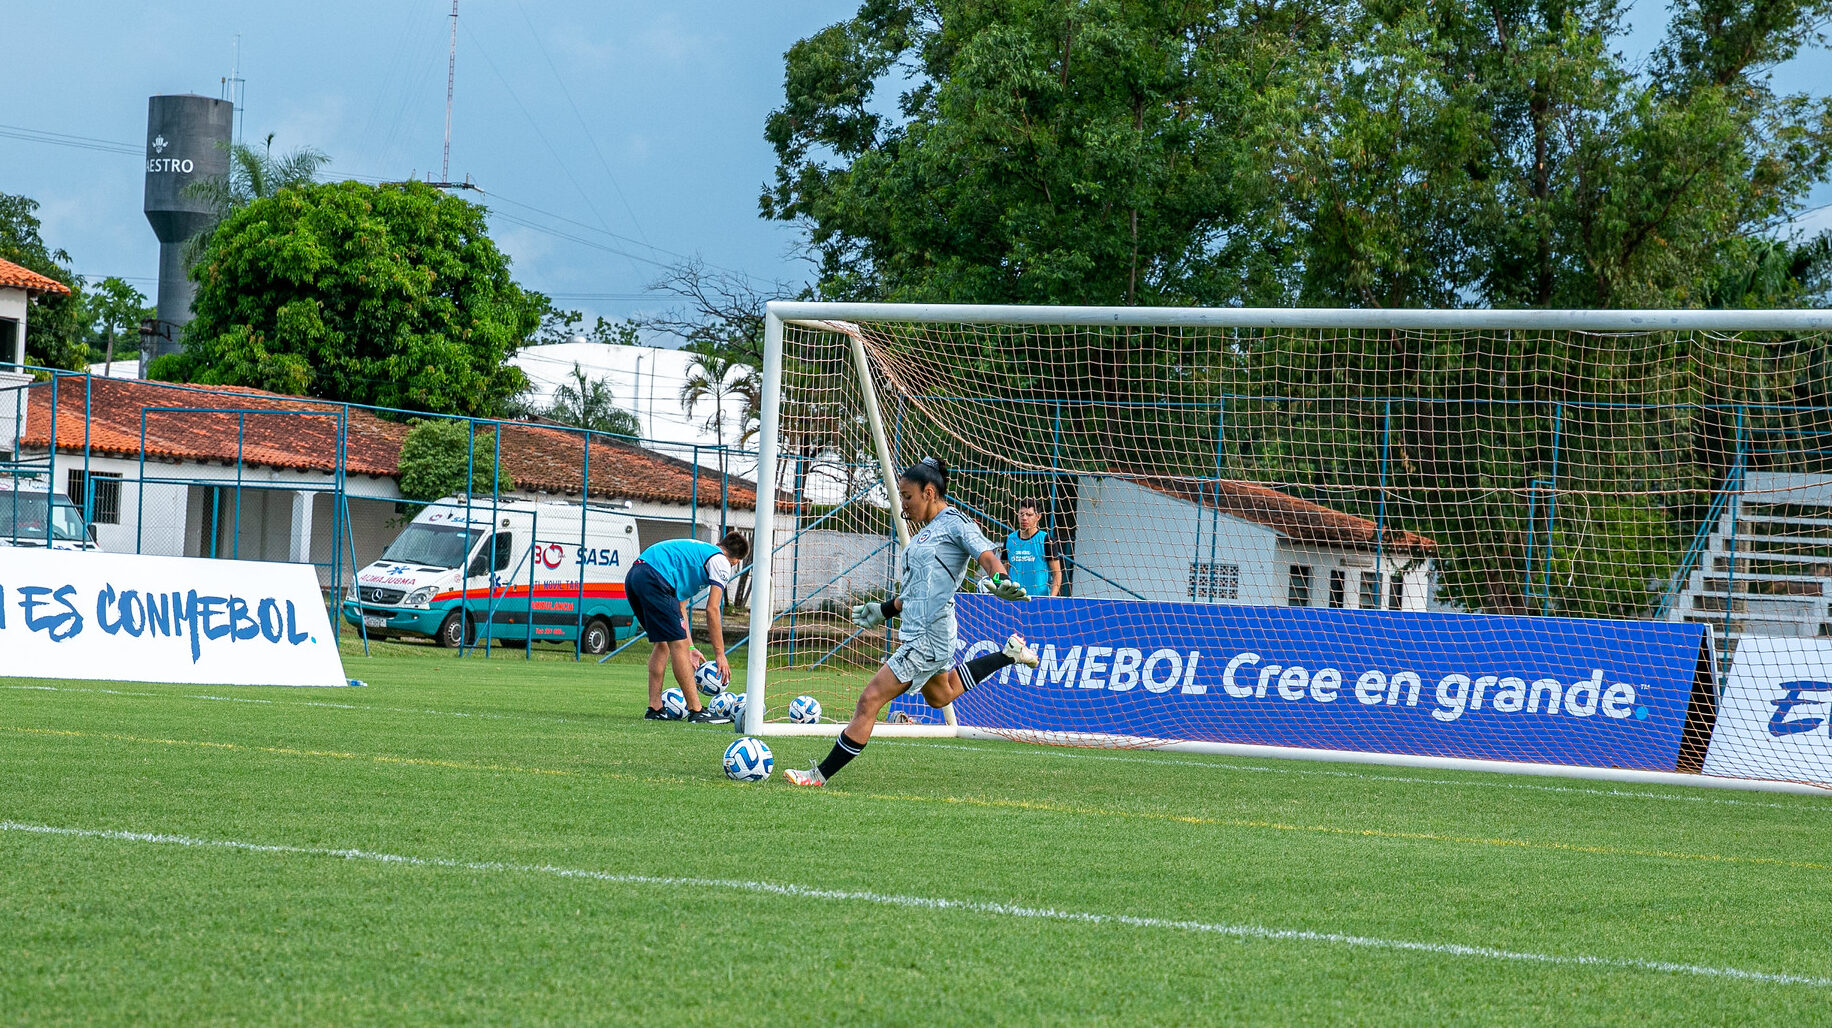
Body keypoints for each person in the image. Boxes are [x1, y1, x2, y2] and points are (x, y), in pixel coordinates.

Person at [783, 457, 1039, 786]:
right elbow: (918, 590)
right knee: (940, 695)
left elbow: (986, 556)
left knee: (869, 699)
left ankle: (817, 776)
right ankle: (1008, 654)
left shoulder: (955, 523)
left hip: (930, 636)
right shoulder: (924, 535)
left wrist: (1001, 579)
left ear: (929, 492)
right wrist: (885, 609)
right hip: (923, 631)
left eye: (907, 496)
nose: (902, 504)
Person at [632, 531, 750, 723]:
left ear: (720, 543)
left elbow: (680, 608)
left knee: (662, 644)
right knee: (676, 644)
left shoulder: (698, 554)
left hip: (637, 576)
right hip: (655, 578)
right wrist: (720, 654)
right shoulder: (721, 562)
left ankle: (655, 709)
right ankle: (697, 711)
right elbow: (712, 610)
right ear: (735, 561)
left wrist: (691, 648)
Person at [1003, 498, 1063, 598]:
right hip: (1013, 599)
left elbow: (1057, 573)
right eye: (1021, 514)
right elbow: (1005, 569)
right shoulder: (1009, 539)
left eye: (1029, 515)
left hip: (1039, 601)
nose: (1024, 518)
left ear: (1038, 517)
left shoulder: (1046, 540)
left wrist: (1051, 598)